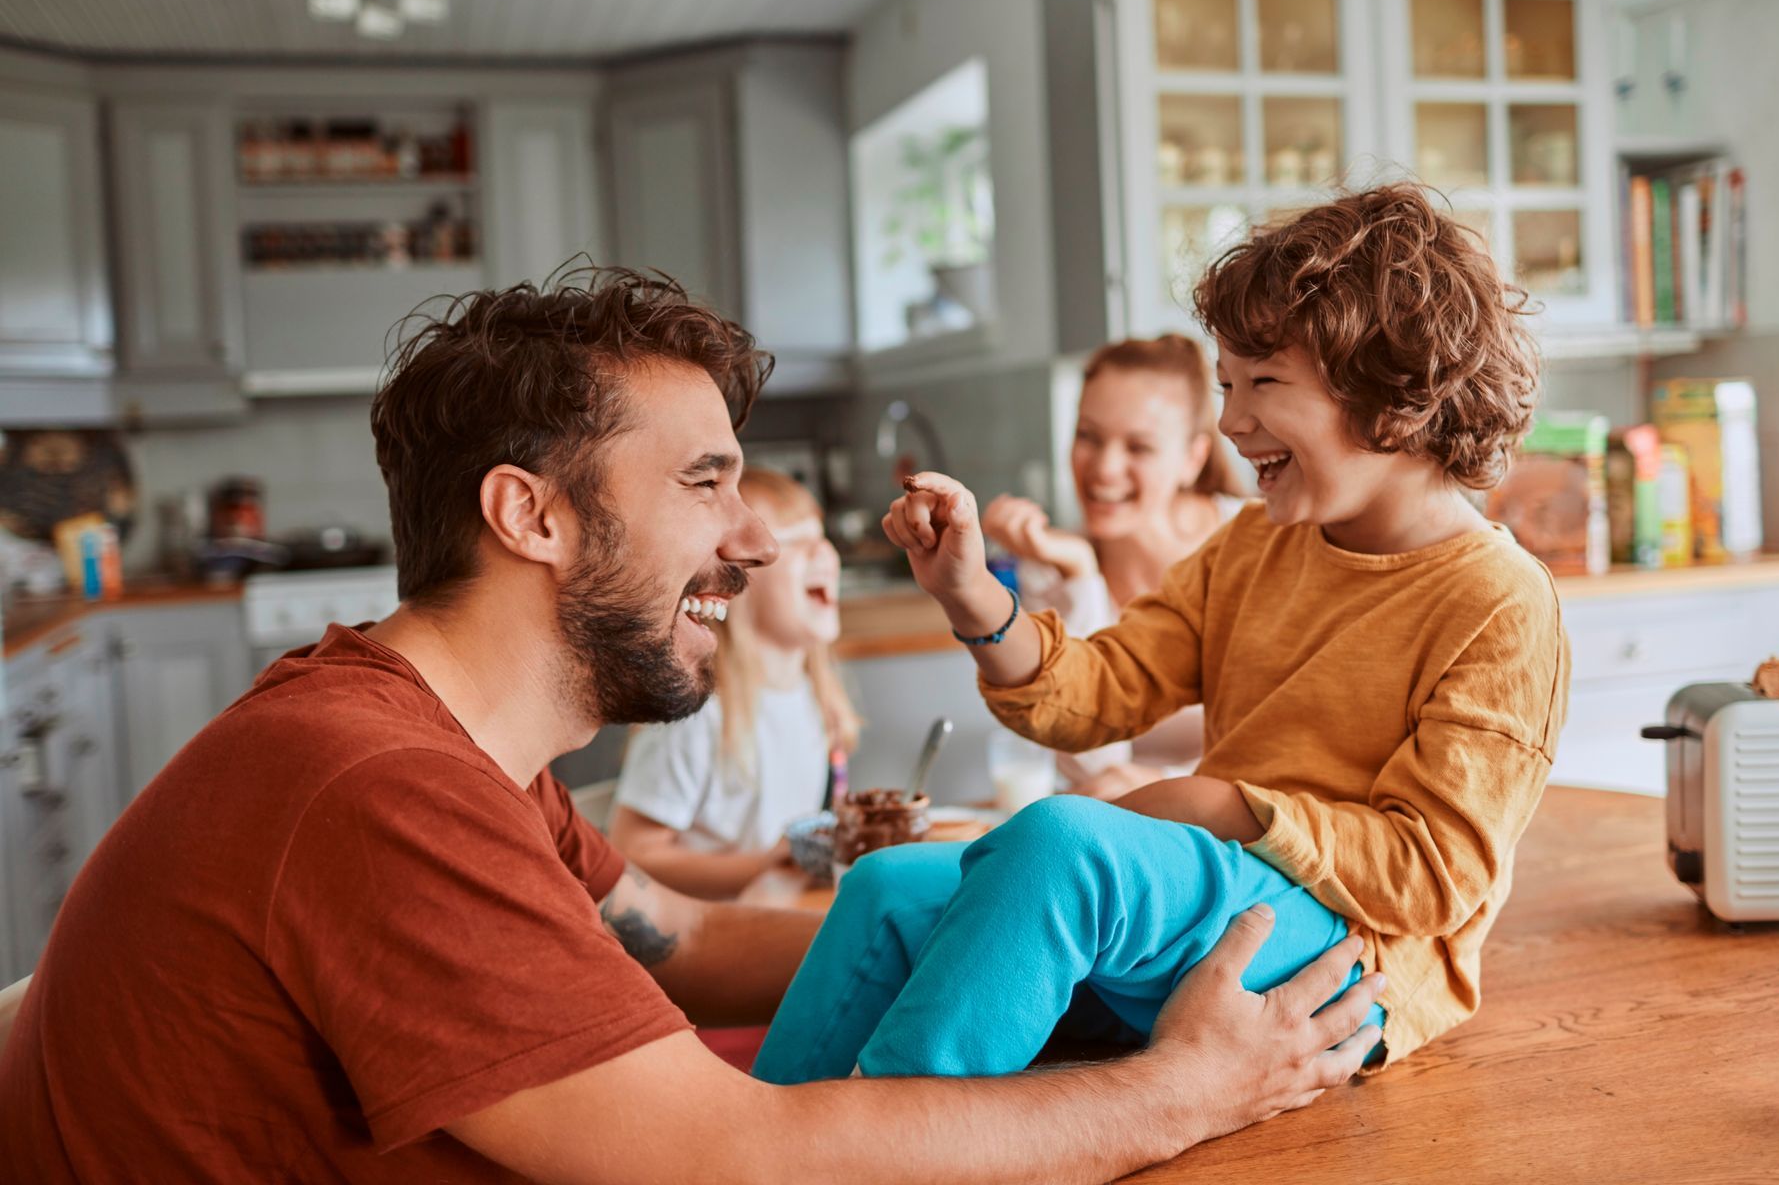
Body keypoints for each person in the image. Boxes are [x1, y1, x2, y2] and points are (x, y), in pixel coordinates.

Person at [0, 266, 1382, 1183]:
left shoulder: (445, 752)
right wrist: (1178, 1094)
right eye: (706, 486)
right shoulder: (370, 788)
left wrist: (1042, 941)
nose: (753, 543)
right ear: (527, 514)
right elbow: (740, 1162)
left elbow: (694, 941)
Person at [754, 184, 1566, 1086]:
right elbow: (1099, 691)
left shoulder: (1499, 602)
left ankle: (896, 1149)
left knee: (1063, 845)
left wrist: (1221, 804)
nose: (1231, 421)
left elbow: (1433, 875)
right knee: (885, 887)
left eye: (1263, 383)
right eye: (1226, 385)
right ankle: (753, 1152)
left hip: (1356, 952)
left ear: (1390, 394)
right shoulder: (1259, 543)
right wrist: (973, 595)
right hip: (1220, 885)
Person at [981, 334, 1244, 798]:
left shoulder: (1251, 543)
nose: (1104, 467)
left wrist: (1165, 783)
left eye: (1138, 447)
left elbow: (1288, 747)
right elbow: (1084, 760)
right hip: (1118, 823)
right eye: (1089, 436)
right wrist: (1083, 577)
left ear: (1192, 459)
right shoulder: (1053, 568)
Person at [608, 467, 859, 899]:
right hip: (712, 936)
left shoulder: (814, 697)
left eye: (822, 537)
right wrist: (762, 866)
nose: (824, 554)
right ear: (735, 579)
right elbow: (633, 851)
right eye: (795, 541)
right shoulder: (698, 714)